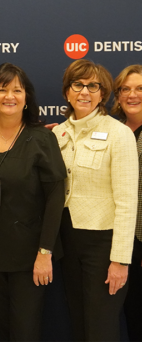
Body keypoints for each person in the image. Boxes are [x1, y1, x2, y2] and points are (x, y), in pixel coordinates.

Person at [0, 62, 66, 342]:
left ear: (27, 99)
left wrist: (45, 252)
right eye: (2, 89)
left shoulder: (41, 138)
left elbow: (55, 197)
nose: (9, 96)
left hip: (30, 256)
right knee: (2, 328)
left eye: (17, 90)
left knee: (24, 332)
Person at [53, 59, 139, 342]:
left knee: (101, 327)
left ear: (103, 94)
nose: (84, 92)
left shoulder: (119, 134)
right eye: (78, 85)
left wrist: (120, 260)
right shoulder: (57, 134)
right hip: (67, 242)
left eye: (93, 86)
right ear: (67, 92)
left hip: (103, 246)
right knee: (78, 322)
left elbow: (127, 202)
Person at [112, 64, 142, 342]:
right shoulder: (112, 131)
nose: (132, 95)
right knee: (133, 316)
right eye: (126, 89)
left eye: (140, 88)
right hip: (123, 243)